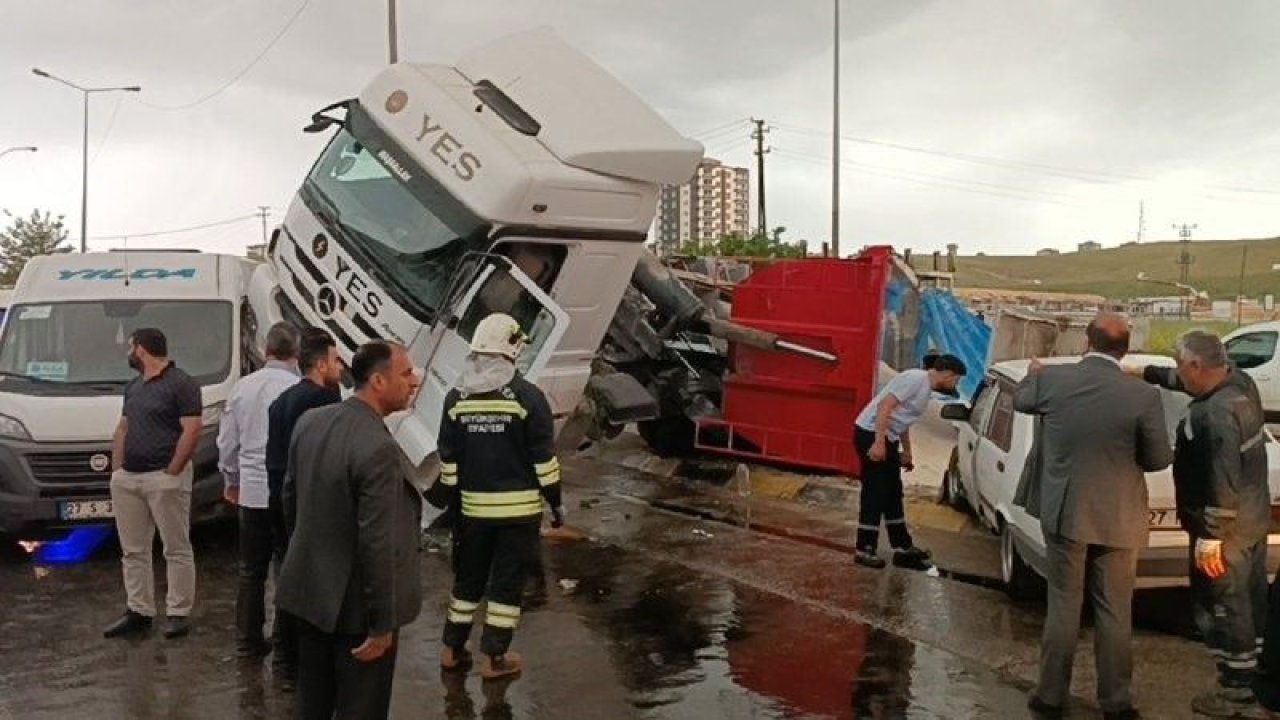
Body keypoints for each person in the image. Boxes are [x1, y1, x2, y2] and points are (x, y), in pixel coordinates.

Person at [1014, 313, 1173, 720]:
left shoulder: (1053, 380)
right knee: (1116, 610)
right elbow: (1158, 460)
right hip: (1120, 516)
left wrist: (1034, 373)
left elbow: (1021, 400)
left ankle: (1050, 695)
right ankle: (1116, 702)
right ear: (1125, 350)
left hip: (1066, 511)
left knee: (1064, 604)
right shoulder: (1143, 396)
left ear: (1087, 342)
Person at [275, 340, 422, 720]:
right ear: (378, 381)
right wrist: (381, 624)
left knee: (313, 705)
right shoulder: (377, 447)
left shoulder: (311, 423)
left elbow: (291, 502)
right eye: (406, 373)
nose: (414, 381)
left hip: (311, 598)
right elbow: (378, 542)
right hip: (357, 613)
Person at [1133, 331, 1270, 718]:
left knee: (1224, 605)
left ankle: (1237, 691)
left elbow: (1221, 480)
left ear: (1196, 365)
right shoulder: (1240, 383)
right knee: (1251, 601)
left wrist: (1211, 537)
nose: (1178, 373)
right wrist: (1145, 373)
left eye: (1180, 366)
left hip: (1224, 532)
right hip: (1251, 521)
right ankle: (1260, 677)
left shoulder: (1213, 415)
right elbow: (1186, 381)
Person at [427, 313, 565, 680]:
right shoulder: (528, 398)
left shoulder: (456, 398)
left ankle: (452, 650)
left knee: (467, 581)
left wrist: (454, 504)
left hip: (472, 512)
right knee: (506, 585)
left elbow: (448, 459)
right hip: (518, 517)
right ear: (512, 350)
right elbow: (544, 462)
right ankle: (494, 660)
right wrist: (556, 503)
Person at [103, 328, 204, 640]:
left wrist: (173, 470)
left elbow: (192, 429)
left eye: (130, 347)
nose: (128, 353)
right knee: (133, 550)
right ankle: (139, 610)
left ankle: (178, 612)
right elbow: (123, 427)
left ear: (142, 350)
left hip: (163, 477)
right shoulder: (133, 387)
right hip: (129, 478)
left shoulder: (182, 383)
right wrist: (118, 470)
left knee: (175, 546)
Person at [263, 327, 344, 685]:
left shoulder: (282, 401)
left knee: (287, 574)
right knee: (315, 582)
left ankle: (284, 657)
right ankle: (308, 660)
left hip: (279, 498)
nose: (341, 366)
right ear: (321, 364)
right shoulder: (324, 401)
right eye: (336, 360)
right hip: (309, 503)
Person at [217, 322, 300, 658]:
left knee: (251, 569)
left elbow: (227, 443)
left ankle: (248, 638)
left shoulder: (242, 388)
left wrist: (231, 480)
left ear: (266, 350)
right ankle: (284, 638)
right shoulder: (298, 389)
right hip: (287, 491)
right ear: (296, 352)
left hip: (251, 490)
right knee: (286, 565)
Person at [851, 353, 966, 570]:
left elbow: (901, 420)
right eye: (956, 380)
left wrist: (906, 451)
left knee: (893, 492)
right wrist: (878, 443)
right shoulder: (915, 379)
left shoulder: (925, 389)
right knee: (875, 493)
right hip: (871, 433)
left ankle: (903, 548)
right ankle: (864, 548)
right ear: (947, 374)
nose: (955, 384)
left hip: (887, 437)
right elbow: (885, 407)